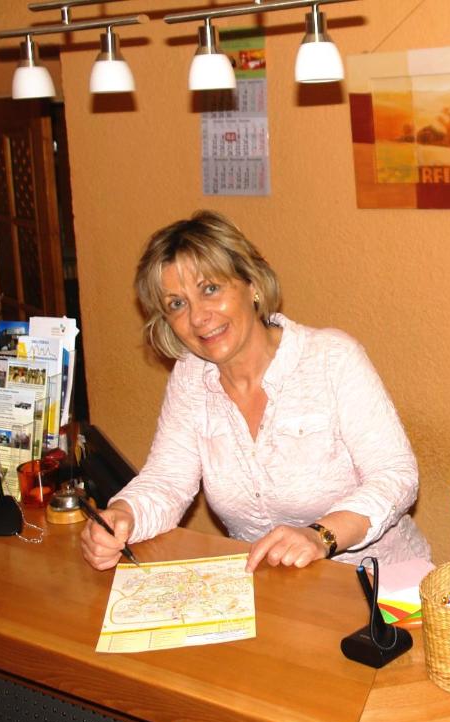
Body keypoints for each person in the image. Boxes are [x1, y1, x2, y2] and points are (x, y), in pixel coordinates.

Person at [81, 210, 431, 573]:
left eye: (210, 289)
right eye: (177, 304)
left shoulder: (331, 358)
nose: (199, 317)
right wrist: (123, 515)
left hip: (380, 586)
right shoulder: (190, 377)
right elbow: (167, 482)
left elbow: (396, 475)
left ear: (252, 284)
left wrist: (320, 536)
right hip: (269, 591)